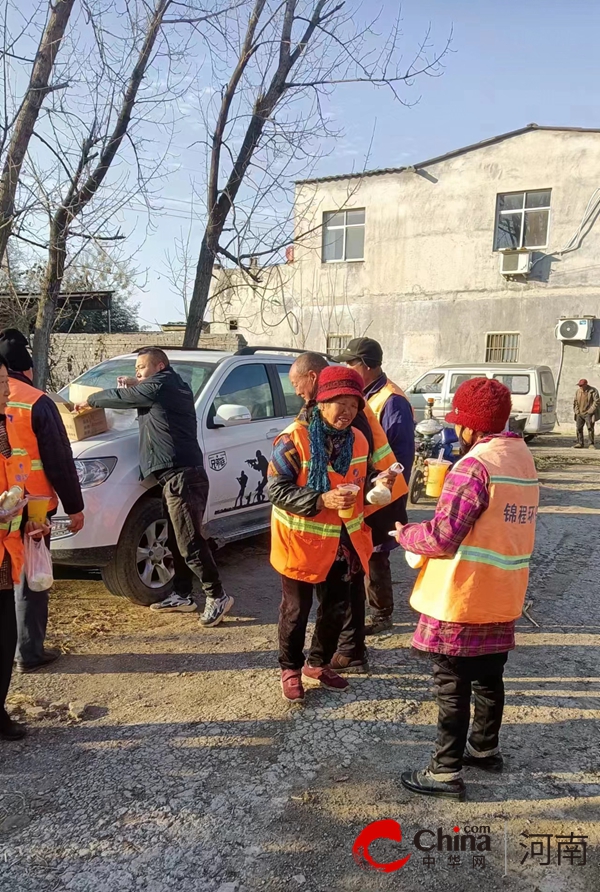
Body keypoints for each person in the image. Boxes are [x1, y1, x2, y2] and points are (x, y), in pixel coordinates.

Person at [394, 378, 539, 801]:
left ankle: (444, 772)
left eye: (458, 422)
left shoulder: (474, 466)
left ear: (471, 427)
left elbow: (442, 537)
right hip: (503, 592)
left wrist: (406, 535)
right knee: (490, 677)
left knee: (451, 683)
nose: (455, 430)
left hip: (462, 596)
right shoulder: (522, 459)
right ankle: (484, 747)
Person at [76, 347, 233, 626]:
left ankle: (217, 595)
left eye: (142, 367)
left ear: (159, 366)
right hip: (174, 477)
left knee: (190, 542)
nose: (137, 372)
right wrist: (139, 382)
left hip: (182, 476)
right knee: (175, 539)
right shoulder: (170, 385)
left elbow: (123, 397)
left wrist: (90, 399)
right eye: (136, 368)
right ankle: (183, 595)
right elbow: (140, 392)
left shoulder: (162, 385)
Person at [268, 366, 391, 703]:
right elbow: (276, 490)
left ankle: (317, 664)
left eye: (354, 405)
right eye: (341, 403)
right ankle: (290, 669)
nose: (348, 412)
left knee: (336, 607)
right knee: (296, 610)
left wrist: (379, 485)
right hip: (301, 542)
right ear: (322, 402)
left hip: (342, 542)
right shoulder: (293, 440)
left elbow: (360, 484)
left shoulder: (360, 440)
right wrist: (320, 499)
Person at [289, 352, 408, 671]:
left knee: (351, 577)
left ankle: (350, 648)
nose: (297, 392)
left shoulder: (344, 412)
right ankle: (350, 647)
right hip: (366, 495)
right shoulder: (336, 407)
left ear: (313, 379)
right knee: (354, 575)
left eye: (297, 384)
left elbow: (358, 461)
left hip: (368, 497)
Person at [0, 329, 84, 674]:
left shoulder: (14, 400)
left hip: (5, 508)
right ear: (29, 368)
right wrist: (75, 506)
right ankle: (28, 651)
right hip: (34, 509)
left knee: (8, 576)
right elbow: (59, 459)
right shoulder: (37, 400)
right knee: (31, 575)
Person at [335, 337, 415, 634]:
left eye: (350, 363)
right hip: (363, 485)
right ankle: (363, 605)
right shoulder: (364, 394)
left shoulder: (392, 400)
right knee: (360, 545)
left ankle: (381, 613)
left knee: (376, 549)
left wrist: (383, 489)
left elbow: (402, 454)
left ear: (366, 365)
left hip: (383, 490)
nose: (346, 367)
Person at [0, 355, 49, 739]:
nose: (5, 390)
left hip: (6, 554)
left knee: (4, 639)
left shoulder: (6, 432)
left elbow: (15, 484)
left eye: (5, 381)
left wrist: (28, 517)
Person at [573, 378, 600, 449]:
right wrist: (576, 411)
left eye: (581, 385)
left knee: (590, 428)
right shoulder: (578, 391)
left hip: (589, 413)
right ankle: (580, 443)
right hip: (580, 413)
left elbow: (596, 402)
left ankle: (591, 444)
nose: (580, 387)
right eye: (579, 385)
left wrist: (590, 411)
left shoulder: (593, 391)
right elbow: (575, 402)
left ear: (586, 385)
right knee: (578, 428)